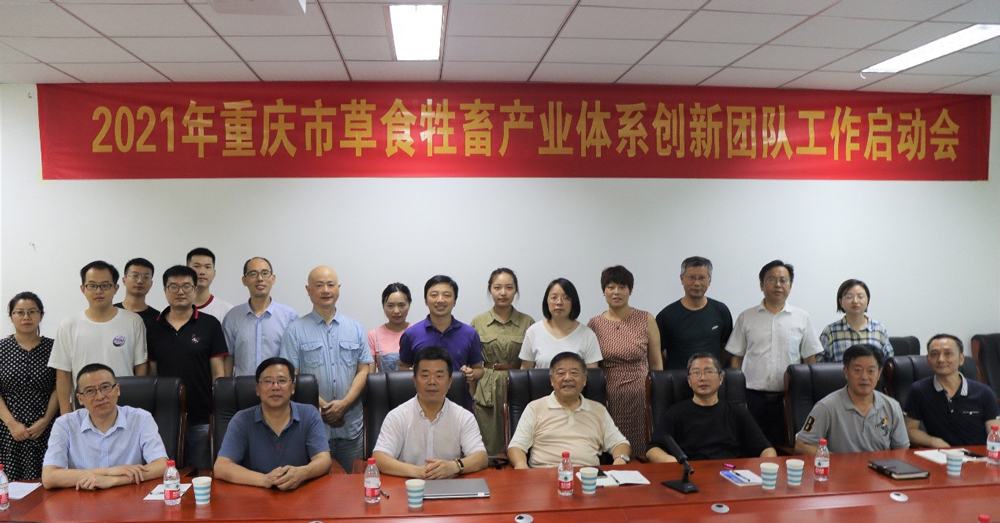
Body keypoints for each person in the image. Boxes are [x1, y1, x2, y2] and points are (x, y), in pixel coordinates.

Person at [279, 266, 370, 473]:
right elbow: (292, 376)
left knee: (352, 485)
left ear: (338, 288)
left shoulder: (355, 328)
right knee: (315, 486)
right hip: (312, 427)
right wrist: (327, 409)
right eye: (319, 285)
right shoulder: (294, 331)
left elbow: (364, 370)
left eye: (330, 285)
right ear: (308, 290)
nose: (326, 290)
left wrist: (344, 404)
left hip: (351, 426)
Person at [726, 260, 822, 447]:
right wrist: (738, 396)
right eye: (771, 280)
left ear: (790, 286)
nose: (778, 285)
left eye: (783, 280)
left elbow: (810, 359)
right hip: (752, 398)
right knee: (750, 448)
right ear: (761, 285)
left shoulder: (802, 317)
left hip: (789, 399)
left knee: (786, 448)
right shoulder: (746, 317)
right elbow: (736, 358)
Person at [146, 265, 228, 471]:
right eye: (173, 286)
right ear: (165, 290)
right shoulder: (154, 327)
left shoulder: (210, 324)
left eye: (186, 286)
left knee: (202, 473)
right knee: (167, 475)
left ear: (194, 289)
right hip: (165, 419)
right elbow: (152, 372)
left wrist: (217, 410)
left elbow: (218, 372)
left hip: (201, 416)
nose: (180, 292)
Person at [41, 364, 167, 490]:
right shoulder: (65, 424)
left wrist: (114, 480)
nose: (100, 396)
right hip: (84, 498)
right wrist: (110, 471)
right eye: (90, 391)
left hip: (130, 495)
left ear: (117, 390)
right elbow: (49, 477)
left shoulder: (141, 418)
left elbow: (162, 465)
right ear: (80, 399)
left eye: (105, 387)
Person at [214, 357, 332, 490]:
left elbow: (324, 459)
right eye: (267, 381)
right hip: (254, 495)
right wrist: (265, 480)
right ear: (257, 389)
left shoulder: (309, 414)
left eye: (282, 381)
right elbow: (221, 466)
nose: (275, 387)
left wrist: (302, 473)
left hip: (300, 494)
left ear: (293, 387)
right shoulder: (242, 420)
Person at [48, 260, 148, 415]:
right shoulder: (68, 326)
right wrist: (66, 414)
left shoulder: (133, 321)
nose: (98, 291)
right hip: (84, 410)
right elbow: (63, 374)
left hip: (125, 408)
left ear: (116, 288)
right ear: (83, 289)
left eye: (105, 285)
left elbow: (140, 366)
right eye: (92, 286)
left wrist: (137, 407)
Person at [373, 346, 487, 478]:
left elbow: (481, 457)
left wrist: (455, 466)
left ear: (450, 382)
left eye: (439, 376)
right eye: (425, 375)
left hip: (450, 486)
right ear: (414, 380)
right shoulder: (397, 416)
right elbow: (379, 458)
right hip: (408, 485)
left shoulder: (464, 417)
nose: (432, 382)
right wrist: (418, 471)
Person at [587, 265, 662, 458]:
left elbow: (656, 363)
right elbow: (592, 368)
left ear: (630, 290)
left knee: (642, 446)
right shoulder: (594, 324)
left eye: (622, 287)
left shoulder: (646, 319)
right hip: (608, 395)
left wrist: (657, 396)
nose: (616, 292)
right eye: (611, 287)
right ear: (603, 291)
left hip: (641, 393)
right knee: (611, 444)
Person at [508, 351, 631, 468]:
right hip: (544, 475)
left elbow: (620, 443)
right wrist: (521, 466)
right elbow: (516, 446)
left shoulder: (598, 410)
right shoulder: (535, 408)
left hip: (588, 476)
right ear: (551, 380)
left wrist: (620, 459)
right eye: (561, 373)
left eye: (574, 373)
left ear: (584, 379)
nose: (567, 378)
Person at [646, 353, 775, 462]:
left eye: (709, 371)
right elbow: (653, 450)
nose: (703, 378)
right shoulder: (676, 413)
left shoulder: (737, 412)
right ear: (689, 381)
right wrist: (677, 464)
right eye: (696, 373)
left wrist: (765, 467)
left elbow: (766, 449)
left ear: (720, 378)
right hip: (692, 473)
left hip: (731, 474)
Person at [795, 344, 909, 454]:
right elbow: (802, 445)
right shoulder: (826, 407)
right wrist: (833, 459)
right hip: (841, 466)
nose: (864, 377)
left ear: (879, 373)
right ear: (846, 372)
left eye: (871, 371)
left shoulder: (892, 406)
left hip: (881, 466)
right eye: (858, 370)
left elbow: (902, 450)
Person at [470, 268, 534, 455]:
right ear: (490, 290)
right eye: (497, 287)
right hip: (486, 385)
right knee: (487, 439)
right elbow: (473, 363)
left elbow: (530, 361)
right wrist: (472, 393)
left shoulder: (527, 322)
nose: (503, 293)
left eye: (509, 287)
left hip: (518, 382)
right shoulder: (479, 322)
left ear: (516, 291)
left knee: (519, 436)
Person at [904, 334, 1000, 447]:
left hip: (978, 454)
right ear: (928, 359)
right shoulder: (919, 390)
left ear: (961, 359)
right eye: (934, 354)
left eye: (948, 353)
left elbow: (995, 432)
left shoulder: (984, 392)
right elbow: (910, 429)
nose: (941, 359)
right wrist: (933, 441)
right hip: (940, 454)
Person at [399, 275, 484, 401]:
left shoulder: (470, 333)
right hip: (422, 402)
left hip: (459, 402)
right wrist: (412, 372)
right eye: (434, 295)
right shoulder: (411, 334)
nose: (440, 300)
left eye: (447, 295)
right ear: (426, 300)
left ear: (455, 301)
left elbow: (479, 370)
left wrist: (471, 373)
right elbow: (402, 367)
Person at [0, 292, 57, 480]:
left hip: (46, 427)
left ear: (41, 315)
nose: (26, 317)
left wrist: (45, 421)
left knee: (48, 482)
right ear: (11, 316)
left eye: (32, 311)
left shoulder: (54, 348)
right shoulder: (1, 349)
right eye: (20, 312)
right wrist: (12, 424)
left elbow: (60, 387)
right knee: (10, 484)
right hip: (8, 430)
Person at [223, 257, 298, 377]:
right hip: (242, 386)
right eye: (253, 274)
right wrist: (226, 385)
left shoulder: (289, 316)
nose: (260, 279)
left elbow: (293, 359)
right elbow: (228, 357)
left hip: (277, 386)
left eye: (265, 273)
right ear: (244, 280)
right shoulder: (232, 317)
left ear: (273, 278)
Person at [656, 256, 733, 370]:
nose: (696, 283)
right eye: (691, 277)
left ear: (709, 280)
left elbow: (726, 347)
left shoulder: (721, 311)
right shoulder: (666, 315)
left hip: (711, 377)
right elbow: (657, 352)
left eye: (702, 278)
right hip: (678, 377)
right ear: (682, 279)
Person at [519, 278, 601, 370]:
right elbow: (525, 372)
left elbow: (593, 375)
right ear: (547, 301)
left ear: (573, 302)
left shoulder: (587, 335)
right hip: (541, 380)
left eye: (566, 298)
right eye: (554, 297)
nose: (559, 302)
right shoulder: (533, 332)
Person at [819, 279, 894, 362]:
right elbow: (820, 365)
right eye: (849, 297)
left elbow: (889, 361)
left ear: (867, 300)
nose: (855, 301)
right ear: (840, 302)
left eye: (860, 296)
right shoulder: (830, 331)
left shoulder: (879, 329)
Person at [367, 283, 412, 373]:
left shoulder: (418, 331)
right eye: (390, 306)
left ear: (409, 305)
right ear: (383, 306)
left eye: (401, 305)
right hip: (384, 382)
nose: (396, 311)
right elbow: (370, 374)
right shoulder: (374, 335)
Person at [187, 247, 234, 322]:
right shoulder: (173, 310)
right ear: (186, 271)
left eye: (207, 267)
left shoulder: (227, 311)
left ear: (214, 273)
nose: (202, 272)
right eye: (196, 266)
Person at [113, 257, 160, 330]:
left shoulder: (158, 318)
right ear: (124, 280)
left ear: (151, 283)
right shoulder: (111, 312)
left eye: (146, 277)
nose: (140, 281)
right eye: (135, 276)